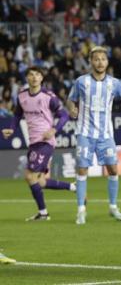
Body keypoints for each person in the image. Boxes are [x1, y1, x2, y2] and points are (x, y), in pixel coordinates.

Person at [67, 46, 121, 225]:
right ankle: (81, 210)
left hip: (106, 135)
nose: (100, 62)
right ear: (91, 61)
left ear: (107, 62)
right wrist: (72, 108)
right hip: (84, 133)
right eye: (96, 59)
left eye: (103, 59)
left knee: (113, 169)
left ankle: (113, 207)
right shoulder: (81, 82)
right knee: (82, 170)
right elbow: (70, 99)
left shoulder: (115, 83)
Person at [2, 67, 74, 221]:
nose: (34, 77)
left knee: (30, 176)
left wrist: (54, 130)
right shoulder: (22, 95)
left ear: (42, 78)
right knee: (40, 181)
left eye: (38, 75)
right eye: (31, 74)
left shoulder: (48, 97)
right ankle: (74, 187)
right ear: (27, 77)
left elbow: (64, 115)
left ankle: (43, 214)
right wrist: (12, 129)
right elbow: (17, 114)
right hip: (33, 142)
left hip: (45, 141)